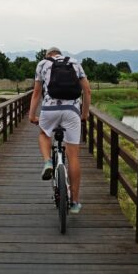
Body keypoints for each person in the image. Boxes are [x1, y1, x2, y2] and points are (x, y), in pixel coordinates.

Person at [29, 47, 92, 213]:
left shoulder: (42, 64)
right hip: (72, 111)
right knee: (73, 156)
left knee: (43, 134)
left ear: (48, 55)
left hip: (50, 110)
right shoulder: (74, 63)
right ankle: (75, 202)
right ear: (60, 54)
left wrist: (31, 116)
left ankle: (48, 161)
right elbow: (87, 90)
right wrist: (84, 115)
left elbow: (36, 93)